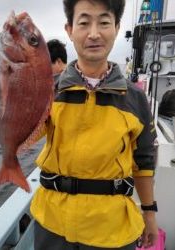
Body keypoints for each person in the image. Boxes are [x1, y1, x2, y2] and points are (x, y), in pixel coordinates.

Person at [30, 0, 158, 249]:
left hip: (112, 230)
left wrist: (149, 214)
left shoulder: (135, 98)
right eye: (84, 22)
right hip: (51, 222)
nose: (94, 33)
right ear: (69, 29)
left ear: (117, 27)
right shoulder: (47, 90)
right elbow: (26, 135)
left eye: (104, 22)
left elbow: (143, 161)